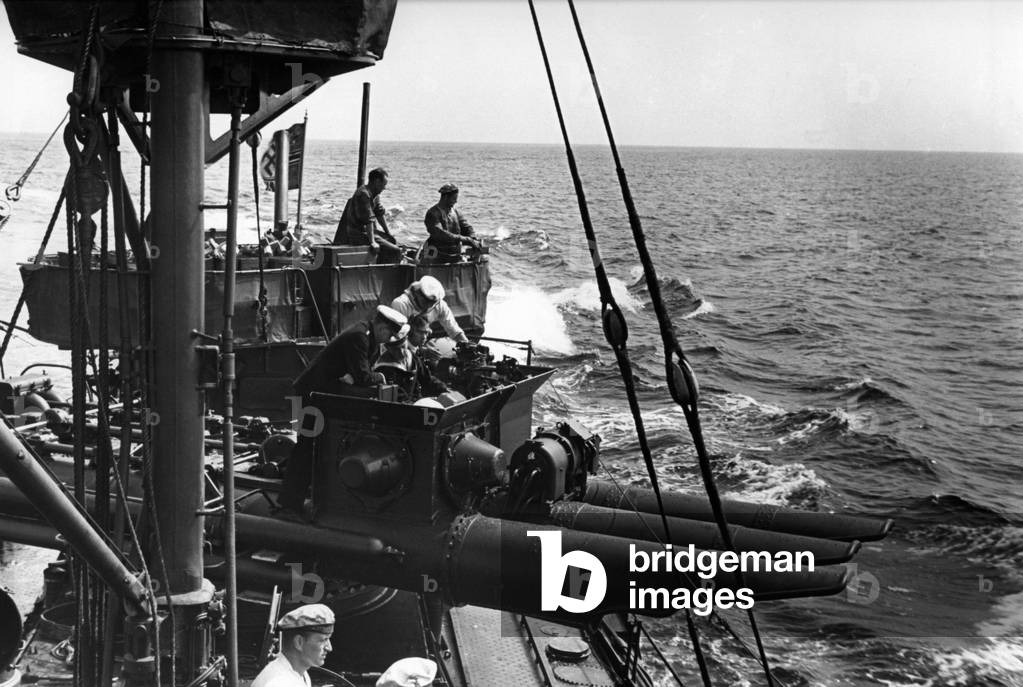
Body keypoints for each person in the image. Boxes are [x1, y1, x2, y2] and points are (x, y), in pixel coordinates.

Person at [278, 305, 409, 514]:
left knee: (324, 446)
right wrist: (380, 377)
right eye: (389, 334)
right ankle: (289, 504)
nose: (388, 339)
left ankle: (318, 497)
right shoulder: (359, 337)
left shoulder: (369, 338)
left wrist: (359, 376)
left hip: (324, 397)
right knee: (307, 447)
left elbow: (358, 375)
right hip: (310, 395)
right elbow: (363, 377)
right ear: (381, 327)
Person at [252, 603, 335, 687]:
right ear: (299, 642)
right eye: (323, 640)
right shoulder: (278, 682)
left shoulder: (298, 673)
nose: (329, 648)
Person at [333, 167, 401, 260]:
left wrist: (388, 233)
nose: (384, 188)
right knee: (395, 251)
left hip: (367, 232)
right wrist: (372, 242)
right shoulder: (363, 194)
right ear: (377, 182)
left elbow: (379, 214)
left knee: (392, 240)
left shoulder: (375, 195)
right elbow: (369, 220)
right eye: (383, 184)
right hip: (357, 234)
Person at [390, 275, 469, 343]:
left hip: (420, 343)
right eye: (425, 301)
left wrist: (467, 345)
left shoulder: (440, 305)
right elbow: (396, 337)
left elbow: (454, 330)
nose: (428, 306)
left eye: (432, 303)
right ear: (417, 293)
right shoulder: (400, 305)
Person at [422, 183, 480, 263]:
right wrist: (466, 240)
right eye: (454, 198)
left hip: (455, 255)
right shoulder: (433, 213)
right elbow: (441, 234)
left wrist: (473, 238)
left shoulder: (455, 212)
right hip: (437, 256)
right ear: (445, 197)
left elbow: (466, 227)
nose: (456, 201)